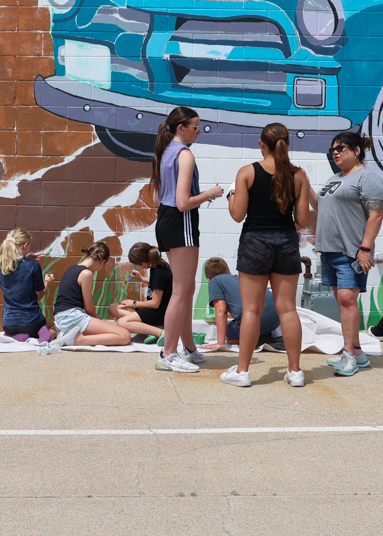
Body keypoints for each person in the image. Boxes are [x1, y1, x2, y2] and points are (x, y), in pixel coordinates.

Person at [218, 123, 314, 387]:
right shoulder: (298, 176)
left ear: (261, 143)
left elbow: (237, 215)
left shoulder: (247, 172)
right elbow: (303, 221)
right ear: (288, 144)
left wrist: (231, 195)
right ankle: (295, 372)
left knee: (251, 310)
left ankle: (243, 372)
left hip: (255, 242)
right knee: (288, 309)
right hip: (286, 243)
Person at [152, 107, 225, 373]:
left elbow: (161, 196)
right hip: (180, 221)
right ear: (181, 128)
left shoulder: (165, 151)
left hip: (167, 219)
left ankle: (188, 348)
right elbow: (183, 203)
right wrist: (211, 193)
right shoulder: (185, 154)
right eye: (196, 127)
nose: (199, 131)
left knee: (186, 289)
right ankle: (168, 354)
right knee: (182, 291)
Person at [316, 129, 383, 378]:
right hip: (330, 250)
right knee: (343, 301)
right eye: (332, 149)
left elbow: (376, 214)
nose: (335, 153)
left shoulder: (367, 178)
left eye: (340, 148)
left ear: (356, 150)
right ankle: (357, 353)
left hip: (352, 251)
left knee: (347, 300)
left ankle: (349, 355)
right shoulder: (335, 178)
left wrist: (365, 249)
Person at [52, 241, 133, 348]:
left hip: (62, 318)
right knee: (125, 335)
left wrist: (95, 319)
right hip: (72, 317)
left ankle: (71, 336)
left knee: (118, 326)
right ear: (102, 262)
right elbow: (89, 306)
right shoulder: (86, 273)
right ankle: (79, 340)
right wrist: (95, 317)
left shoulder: (72, 268)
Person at [201, 258, 285, 350]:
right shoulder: (239, 278)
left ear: (209, 279)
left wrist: (220, 343)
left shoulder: (215, 281)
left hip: (255, 322)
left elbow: (221, 311)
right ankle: (261, 337)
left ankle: (256, 340)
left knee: (228, 334)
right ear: (229, 272)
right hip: (276, 318)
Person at [0, 227, 55, 340]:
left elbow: (16, 267)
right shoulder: (33, 265)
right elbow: (38, 295)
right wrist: (47, 282)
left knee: (19, 329)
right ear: (25, 245)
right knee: (53, 325)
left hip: (8, 323)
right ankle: (46, 335)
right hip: (31, 321)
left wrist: (26, 258)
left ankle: (18, 335)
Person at [113, 243, 169, 341]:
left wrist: (134, 303)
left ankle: (160, 332)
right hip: (153, 310)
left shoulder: (159, 273)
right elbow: (158, 285)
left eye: (137, 265)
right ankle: (146, 328)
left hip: (160, 312)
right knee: (113, 308)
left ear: (143, 263)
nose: (137, 267)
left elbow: (155, 304)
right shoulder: (157, 266)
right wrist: (141, 279)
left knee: (122, 322)